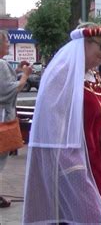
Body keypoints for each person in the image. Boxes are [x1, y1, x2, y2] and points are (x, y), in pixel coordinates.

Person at [23, 24, 101, 224]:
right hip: (81, 164)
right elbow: (53, 130)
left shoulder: (93, 75)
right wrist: (73, 169)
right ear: (84, 45)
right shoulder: (62, 77)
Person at [0, 30, 32, 208]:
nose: (8, 45)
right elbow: (8, 90)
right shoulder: (1, 64)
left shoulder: (3, 65)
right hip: (2, 118)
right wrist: (26, 75)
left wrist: (18, 71)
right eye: (6, 42)